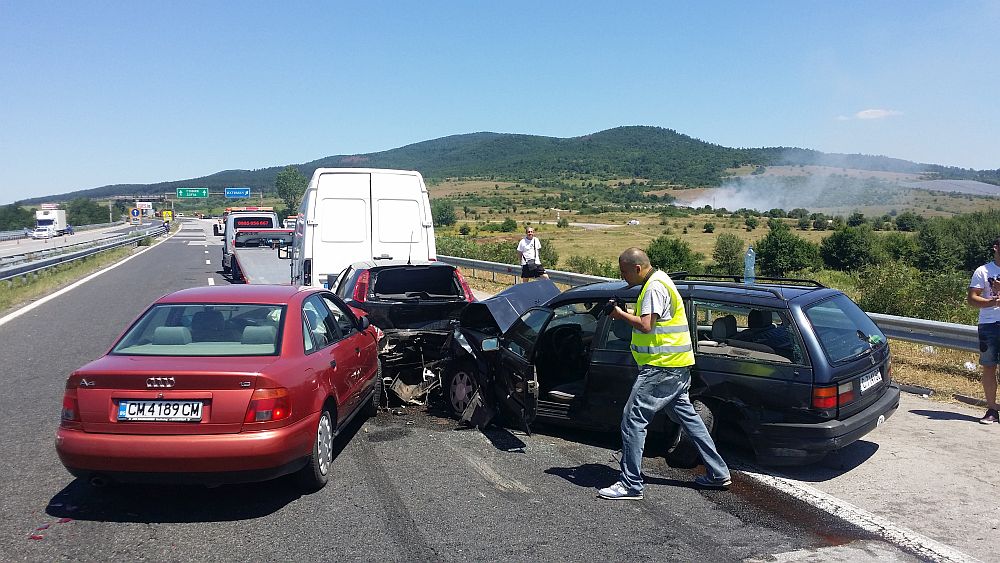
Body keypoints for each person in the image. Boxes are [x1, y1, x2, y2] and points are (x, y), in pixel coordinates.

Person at [597, 247, 730, 500]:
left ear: (637, 268)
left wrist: (619, 314)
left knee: (632, 420)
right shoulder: (661, 280)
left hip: (661, 367)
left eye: (624, 272)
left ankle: (631, 484)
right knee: (690, 420)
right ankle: (718, 472)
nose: (623, 276)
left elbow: (647, 326)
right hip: (677, 366)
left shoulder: (654, 288)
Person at [967, 236, 1000, 424]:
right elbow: (972, 299)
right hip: (989, 324)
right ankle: (992, 410)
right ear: (995, 247)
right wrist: (993, 301)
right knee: (989, 367)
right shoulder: (983, 271)